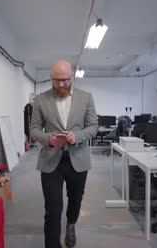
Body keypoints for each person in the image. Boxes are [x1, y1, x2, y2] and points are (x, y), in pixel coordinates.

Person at [30, 60, 98, 248]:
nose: (61, 84)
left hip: (78, 159)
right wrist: (48, 139)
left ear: (72, 77)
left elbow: (94, 126)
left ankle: (71, 224)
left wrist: (77, 136)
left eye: (65, 81)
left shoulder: (86, 97)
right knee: (52, 209)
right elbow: (34, 129)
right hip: (51, 160)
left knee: (75, 200)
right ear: (51, 78)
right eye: (56, 81)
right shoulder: (41, 100)